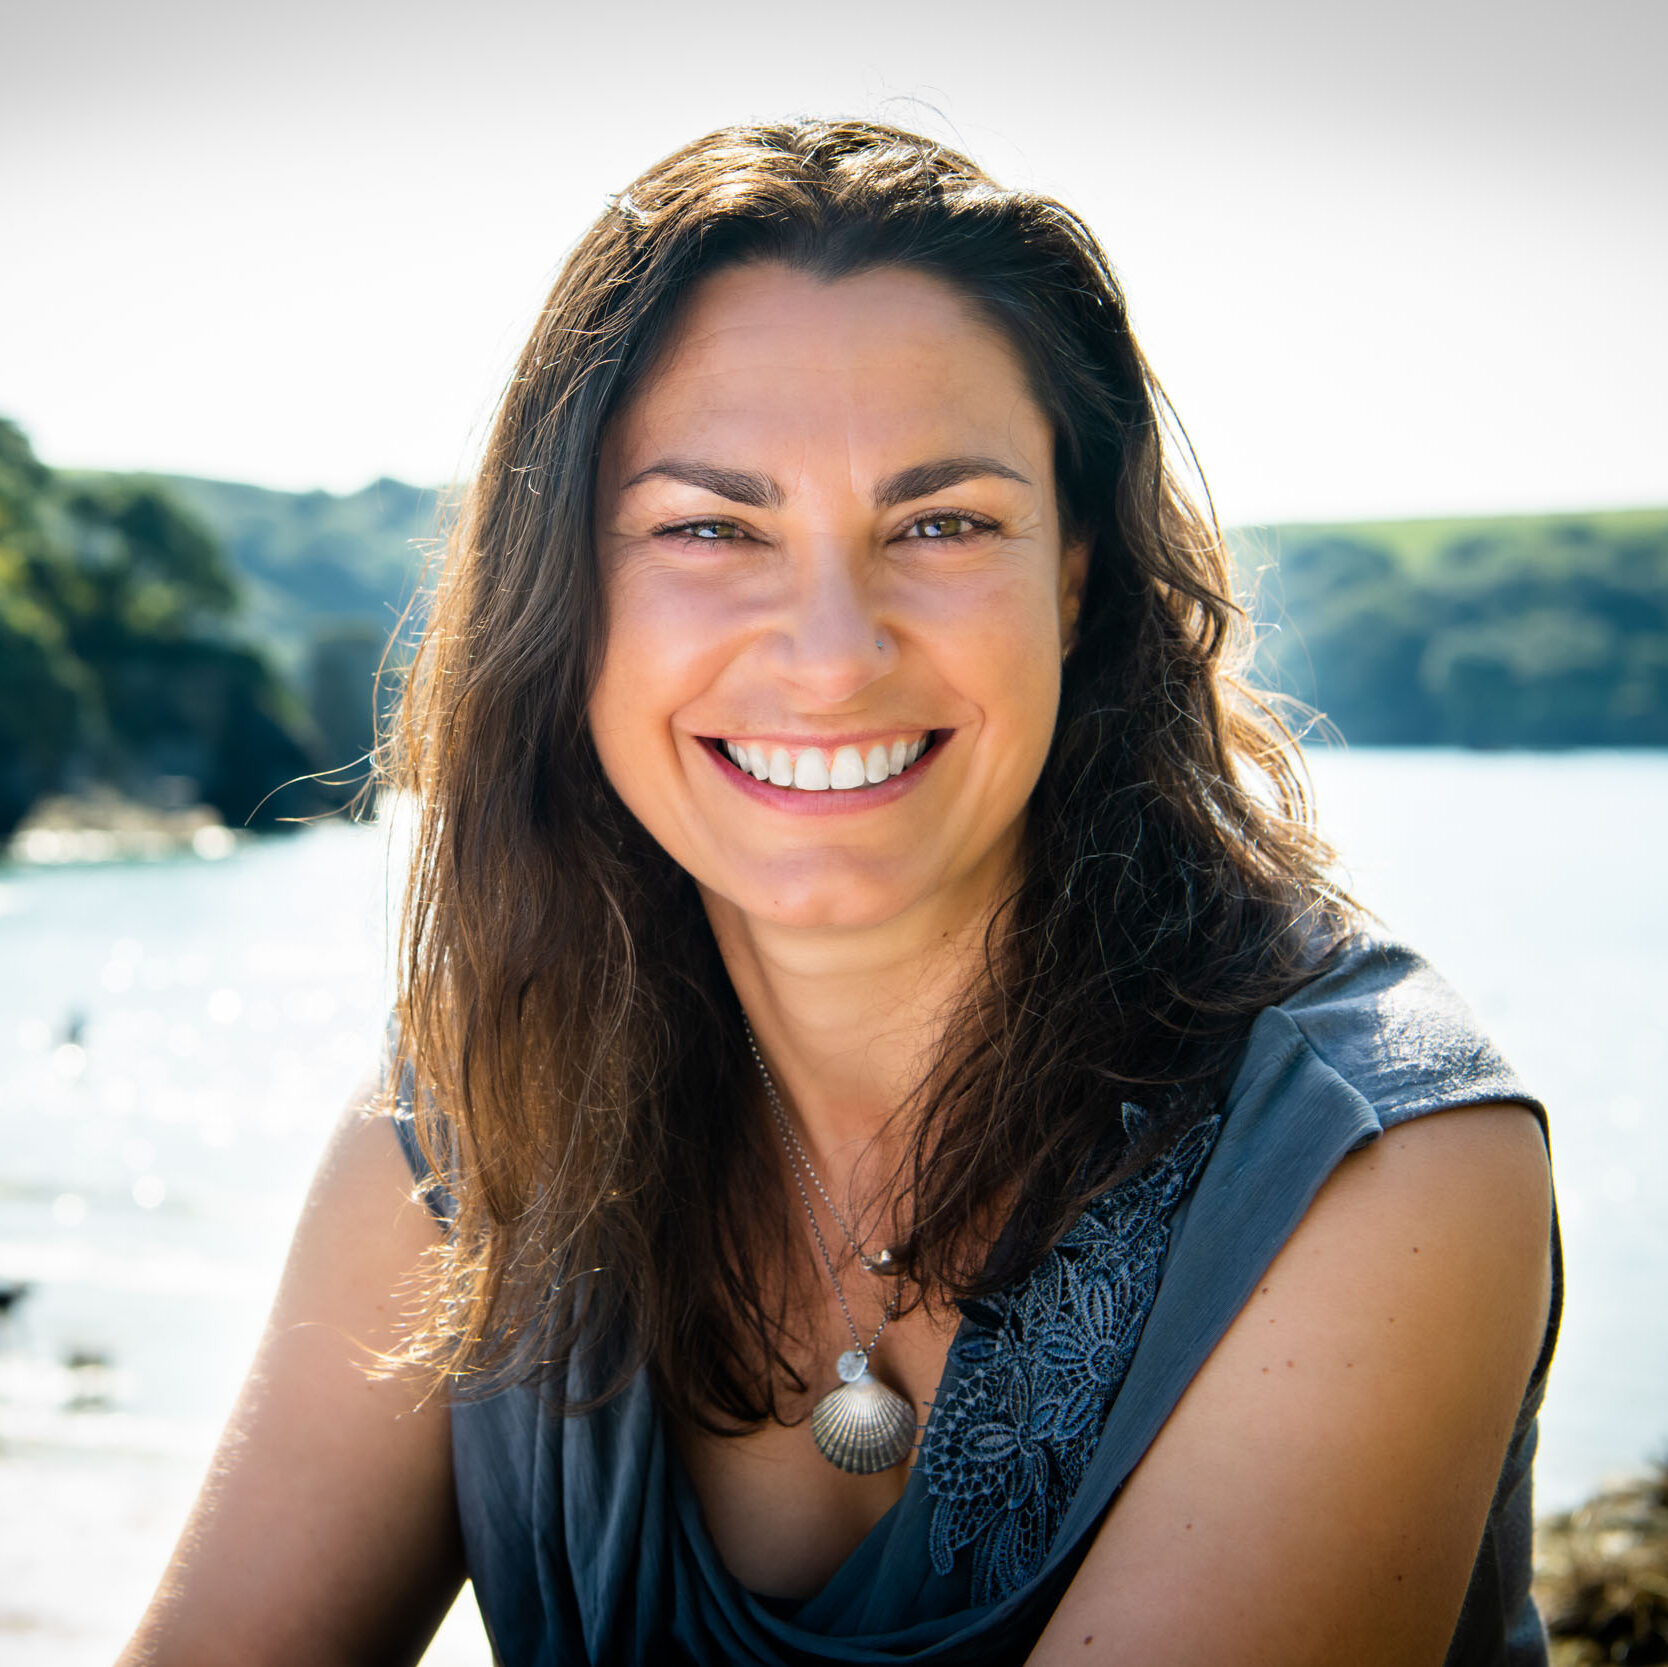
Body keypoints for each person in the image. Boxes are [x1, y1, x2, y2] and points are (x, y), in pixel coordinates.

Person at [120, 117, 1560, 1666]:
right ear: (573, 593)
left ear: (1074, 578)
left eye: (940, 524)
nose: (830, 650)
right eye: (710, 528)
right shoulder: (469, 1125)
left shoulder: (1379, 1165)